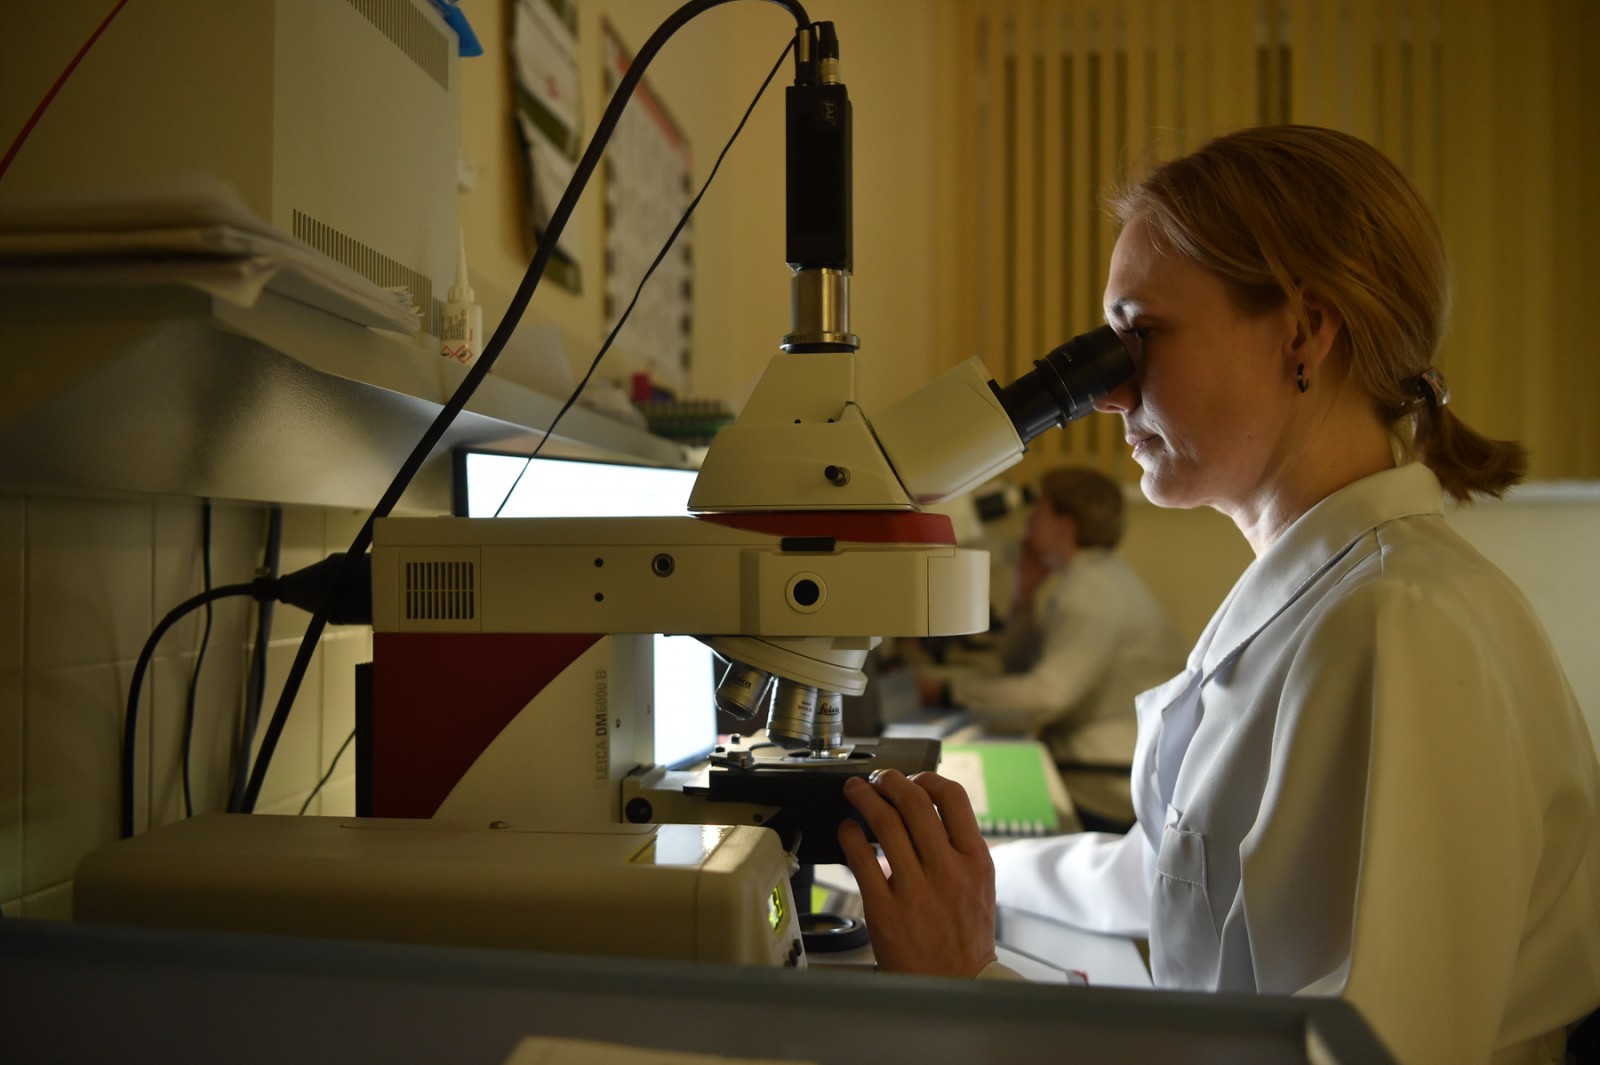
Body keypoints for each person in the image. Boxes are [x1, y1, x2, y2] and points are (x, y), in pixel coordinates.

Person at [836, 125, 1600, 1065]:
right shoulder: (1316, 601)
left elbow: (1367, 1054)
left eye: (1141, 336)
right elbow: (1170, 874)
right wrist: (947, 874)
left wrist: (970, 990)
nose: (1110, 395)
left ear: (1302, 333)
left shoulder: (1400, 624)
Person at [919, 466, 1185, 831]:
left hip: (1104, 778)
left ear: (1065, 522)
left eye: (1039, 508)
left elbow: (1046, 697)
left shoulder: (1093, 591)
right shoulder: (1092, 578)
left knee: (968, 816)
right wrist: (1024, 595)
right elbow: (1020, 668)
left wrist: (947, 691)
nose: (1028, 521)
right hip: (1105, 764)